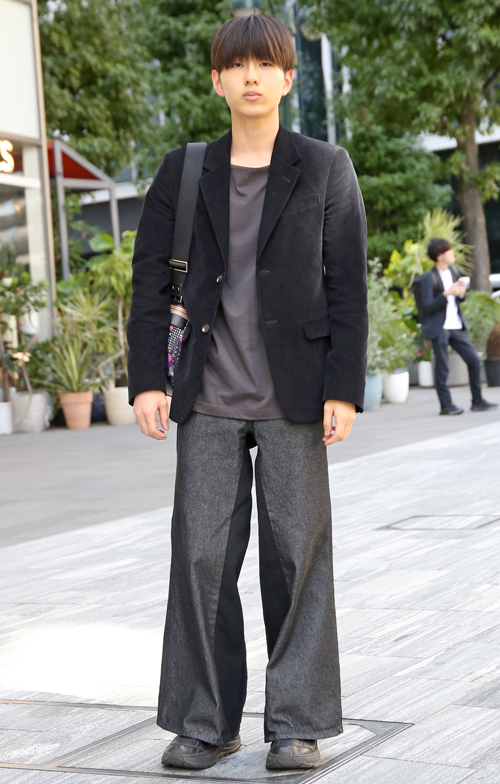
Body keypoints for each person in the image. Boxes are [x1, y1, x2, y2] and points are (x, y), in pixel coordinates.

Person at [127, 14, 368, 772]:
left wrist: (343, 388)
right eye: (238, 65)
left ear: (289, 79)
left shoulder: (325, 167)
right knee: (200, 560)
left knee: (297, 559)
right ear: (218, 80)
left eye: (267, 64)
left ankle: (296, 724)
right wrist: (147, 379)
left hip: (296, 396)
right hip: (207, 396)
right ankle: (205, 723)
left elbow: (347, 285)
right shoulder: (184, 170)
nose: (252, 76)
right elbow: (147, 280)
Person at [421, 237, 497, 415]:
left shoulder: (453, 271)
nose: (452, 253)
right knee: (442, 368)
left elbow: (459, 297)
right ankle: (446, 406)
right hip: (440, 327)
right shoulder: (429, 278)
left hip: (456, 326)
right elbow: (427, 306)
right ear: (440, 256)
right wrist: (446, 294)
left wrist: (460, 293)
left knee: (474, 360)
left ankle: (477, 401)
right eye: (449, 250)